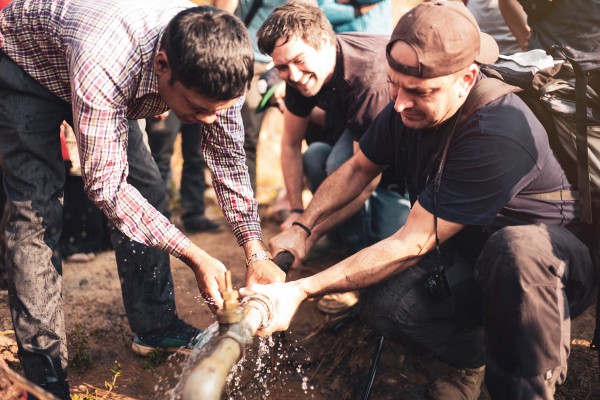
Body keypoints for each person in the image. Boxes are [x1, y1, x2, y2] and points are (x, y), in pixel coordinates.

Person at [243, 2, 597, 399]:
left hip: (549, 272)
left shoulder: (498, 128)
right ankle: (474, 359)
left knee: (515, 249)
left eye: (419, 92)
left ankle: (528, 384)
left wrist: (300, 290)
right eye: (394, 84)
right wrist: (301, 227)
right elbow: (359, 168)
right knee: (385, 304)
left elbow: (413, 242)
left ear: (466, 79)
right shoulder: (406, 105)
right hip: (467, 251)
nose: (398, 104)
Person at [0, 2, 284, 399]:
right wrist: (194, 254)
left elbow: (228, 158)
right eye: (199, 109)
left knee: (147, 188)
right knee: (37, 213)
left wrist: (255, 251)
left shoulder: (221, 64)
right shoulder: (106, 58)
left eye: (217, 110)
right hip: (30, 67)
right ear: (163, 66)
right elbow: (107, 187)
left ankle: (155, 326)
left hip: (100, 68)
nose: (208, 120)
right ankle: (43, 374)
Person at [257, 2, 410, 312]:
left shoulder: (366, 76)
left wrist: (306, 232)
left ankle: (357, 271)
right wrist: (296, 210)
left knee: (338, 167)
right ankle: (342, 244)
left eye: (299, 61)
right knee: (315, 156)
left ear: (324, 41)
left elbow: (364, 179)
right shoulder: (297, 74)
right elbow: (290, 144)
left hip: (406, 162)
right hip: (361, 137)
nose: (294, 76)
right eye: (282, 68)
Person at [215, 0, 287, 194]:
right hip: (239, 60)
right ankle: (219, 193)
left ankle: (248, 201)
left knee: (249, 139)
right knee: (229, 133)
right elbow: (220, 18)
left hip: (272, 65)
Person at [146, 111, 221, 233]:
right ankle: (157, 220)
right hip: (166, 104)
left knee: (196, 157)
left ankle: (194, 216)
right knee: (160, 161)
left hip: (196, 102)